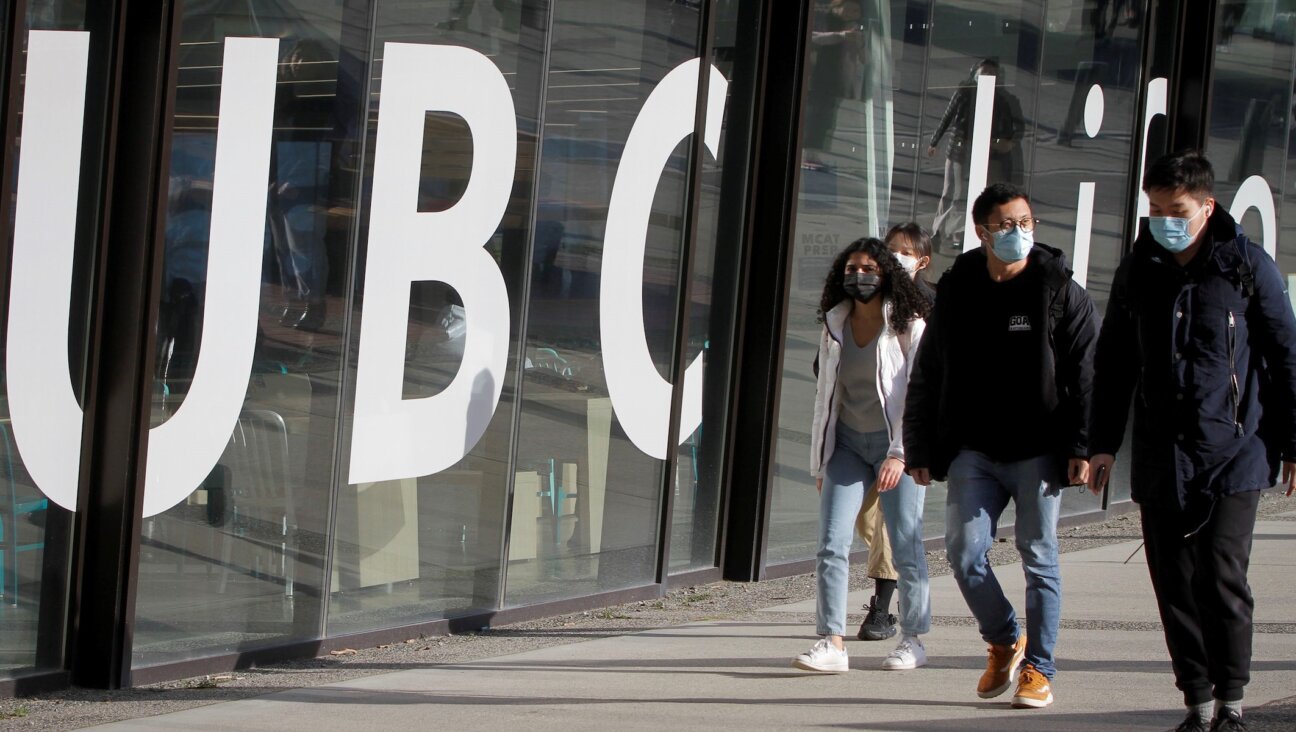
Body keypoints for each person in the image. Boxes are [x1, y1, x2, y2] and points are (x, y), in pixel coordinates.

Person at [1087, 151, 1296, 732]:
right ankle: (1197, 703)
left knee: (1221, 576)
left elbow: (1285, 357)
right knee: (1173, 580)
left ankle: (1232, 701)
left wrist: (1293, 442)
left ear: (1207, 207)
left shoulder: (1247, 267)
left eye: (1174, 209)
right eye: (1153, 209)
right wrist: (1101, 442)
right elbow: (1114, 361)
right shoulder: (1139, 269)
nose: (1162, 219)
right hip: (1161, 454)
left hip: (1237, 452)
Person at [904, 182, 1099, 709]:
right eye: (1007, 225)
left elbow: (1085, 372)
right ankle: (1004, 638)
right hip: (974, 448)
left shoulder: (1056, 286)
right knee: (964, 553)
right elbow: (930, 369)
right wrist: (918, 446)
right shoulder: (960, 287)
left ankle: (1039, 668)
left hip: (1038, 447)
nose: (1020, 233)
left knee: (1039, 556)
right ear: (982, 231)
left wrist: (1081, 445)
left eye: (1026, 223)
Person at [795, 237, 933, 674]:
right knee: (831, 545)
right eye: (851, 270)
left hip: (896, 451)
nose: (859, 277)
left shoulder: (908, 326)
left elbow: (918, 395)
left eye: (868, 269)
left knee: (906, 545)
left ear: (887, 273)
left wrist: (900, 454)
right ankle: (832, 641)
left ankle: (912, 639)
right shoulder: (835, 324)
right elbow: (824, 397)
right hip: (848, 446)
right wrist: (821, 459)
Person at [851, 222, 937, 642]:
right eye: (891, 250)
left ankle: (882, 611)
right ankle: (899, 573)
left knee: (892, 523)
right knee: (862, 516)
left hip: (906, 434)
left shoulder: (930, 306)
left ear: (922, 262)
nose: (896, 257)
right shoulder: (863, 300)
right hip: (858, 428)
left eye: (905, 252)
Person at [927, 59, 1024, 252]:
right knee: (953, 193)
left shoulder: (1002, 99)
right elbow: (948, 116)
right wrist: (934, 141)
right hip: (959, 151)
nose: (987, 76)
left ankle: (960, 234)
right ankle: (938, 232)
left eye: (992, 73)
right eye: (984, 72)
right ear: (975, 73)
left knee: (973, 196)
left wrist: (1006, 143)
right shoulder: (964, 93)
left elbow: (1015, 125)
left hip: (986, 153)